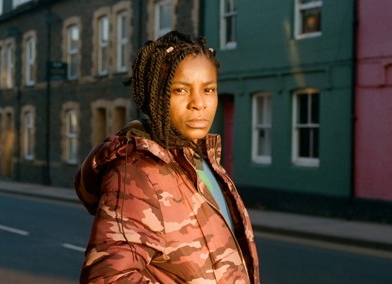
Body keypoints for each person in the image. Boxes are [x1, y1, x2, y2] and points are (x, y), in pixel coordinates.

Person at [74, 31, 260, 283]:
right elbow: (107, 278)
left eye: (208, 89)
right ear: (156, 96)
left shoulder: (202, 160)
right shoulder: (138, 171)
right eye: (181, 90)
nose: (198, 103)